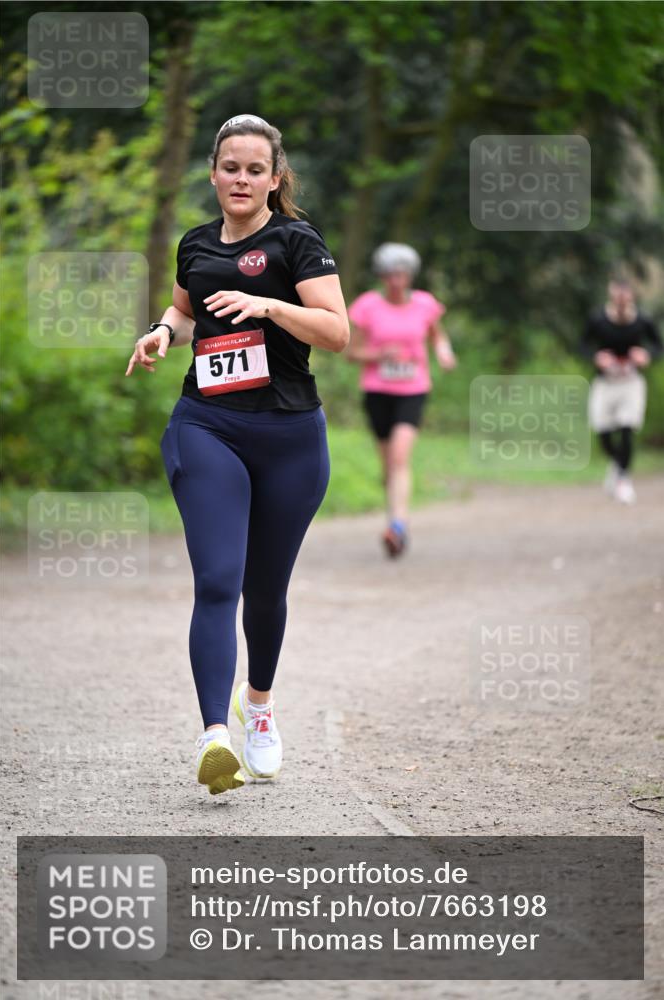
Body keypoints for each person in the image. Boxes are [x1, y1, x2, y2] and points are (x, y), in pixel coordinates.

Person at [125, 114, 349, 795]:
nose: (241, 179)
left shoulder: (296, 242)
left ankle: (257, 705)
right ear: (214, 173)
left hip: (287, 434)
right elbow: (186, 310)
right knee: (218, 579)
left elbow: (337, 332)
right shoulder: (194, 243)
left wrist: (268, 306)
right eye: (230, 167)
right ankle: (212, 736)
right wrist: (164, 331)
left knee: (264, 588)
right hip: (208, 424)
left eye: (255, 169)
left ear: (274, 178)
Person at [346, 243, 456, 557]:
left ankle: (398, 527)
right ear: (382, 276)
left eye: (402, 274)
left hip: (413, 389)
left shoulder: (424, 304)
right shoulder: (367, 306)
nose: (396, 280)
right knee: (388, 466)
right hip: (377, 391)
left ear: (410, 275)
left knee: (399, 458)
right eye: (390, 274)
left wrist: (444, 353)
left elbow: (437, 335)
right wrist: (379, 354)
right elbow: (352, 353)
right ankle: (393, 515)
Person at [581, 276, 662, 504]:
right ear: (611, 295)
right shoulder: (598, 320)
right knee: (603, 432)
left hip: (631, 383)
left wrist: (646, 355)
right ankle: (617, 467)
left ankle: (623, 480)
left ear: (631, 296)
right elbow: (583, 345)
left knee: (627, 428)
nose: (620, 301)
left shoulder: (642, 321)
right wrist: (597, 357)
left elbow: (657, 346)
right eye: (616, 296)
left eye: (624, 296)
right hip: (605, 383)